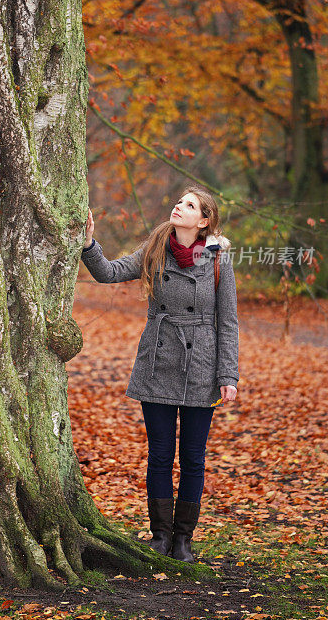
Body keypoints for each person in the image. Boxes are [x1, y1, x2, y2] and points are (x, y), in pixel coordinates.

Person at [80, 184, 239, 563]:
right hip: (159, 359)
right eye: (178, 201)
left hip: (202, 363)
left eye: (189, 205)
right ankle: (160, 536)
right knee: (160, 455)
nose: (178, 207)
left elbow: (228, 321)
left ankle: (184, 539)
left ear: (203, 221)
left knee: (194, 457)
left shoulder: (218, 259)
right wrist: (88, 243)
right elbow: (109, 272)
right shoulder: (155, 248)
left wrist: (228, 375)